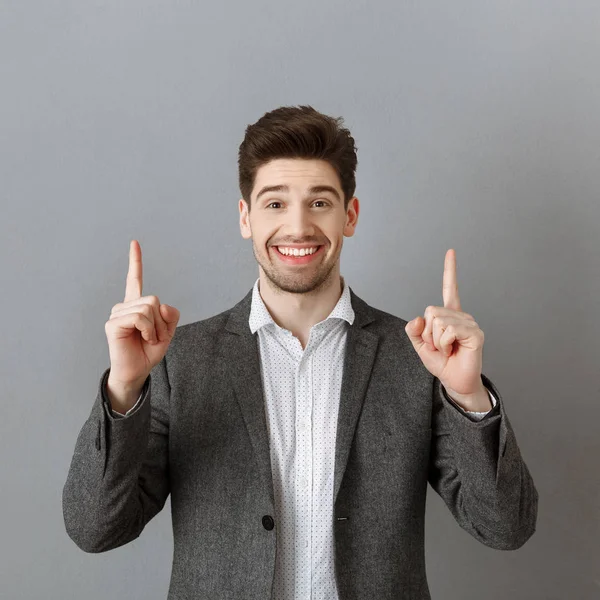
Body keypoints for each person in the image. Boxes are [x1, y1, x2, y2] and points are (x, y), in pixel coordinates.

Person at [63, 105, 538, 599]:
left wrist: (467, 396)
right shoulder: (180, 362)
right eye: (274, 204)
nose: (298, 227)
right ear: (245, 217)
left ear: (349, 216)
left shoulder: (416, 356)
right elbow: (95, 528)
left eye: (319, 203)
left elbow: (505, 527)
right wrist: (124, 388)